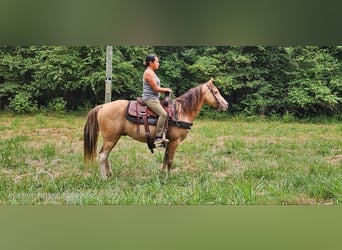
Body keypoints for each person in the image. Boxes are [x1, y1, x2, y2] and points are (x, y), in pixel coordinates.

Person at [142, 54, 172, 146]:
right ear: (151, 63)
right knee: (163, 114)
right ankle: (158, 137)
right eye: (157, 61)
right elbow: (155, 88)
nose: (158, 63)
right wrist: (167, 89)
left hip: (155, 98)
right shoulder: (148, 73)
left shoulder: (152, 72)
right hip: (150, 99)